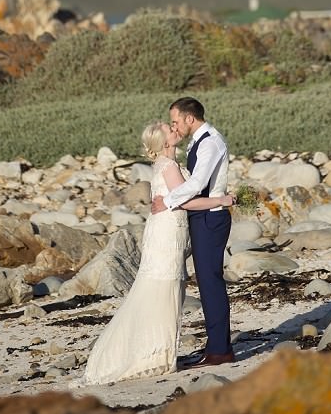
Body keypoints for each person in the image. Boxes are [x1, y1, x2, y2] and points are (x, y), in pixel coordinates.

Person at [82, 119, 232, 385]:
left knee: (163, 287)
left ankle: (159, 354)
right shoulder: (169, 165)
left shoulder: (168, 164)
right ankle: (154, 357)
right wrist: (221, 200)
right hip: (166, 235)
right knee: (162, 289)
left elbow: (175, 198)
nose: (174, 129)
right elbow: (185, 200)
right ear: (163, 142)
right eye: (169, 128)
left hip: (167, 230)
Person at [152, 96, 234, 367]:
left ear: (190, 118)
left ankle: (220, 351)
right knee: (207, 283)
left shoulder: (210, 142)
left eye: (176, 120)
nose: (174, 126)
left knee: (211, 284)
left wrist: (169, 201)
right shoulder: (199, 141)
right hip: (202, 217)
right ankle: (216, 346)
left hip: (211, 218)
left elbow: (198, 182)